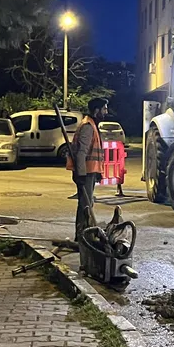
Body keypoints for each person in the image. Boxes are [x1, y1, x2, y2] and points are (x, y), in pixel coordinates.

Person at [67, 98, 107, 241]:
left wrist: (97, 173)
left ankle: (84, 235)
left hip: (90, 172)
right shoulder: (88, 127)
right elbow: (82, 153)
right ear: (97, 110)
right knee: (85, 205)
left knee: (87, 204)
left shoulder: (92, 125)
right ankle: (82, 237)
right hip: (85, 173)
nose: (106, 112)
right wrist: (82, 174)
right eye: (104, 109)